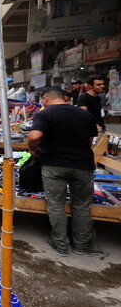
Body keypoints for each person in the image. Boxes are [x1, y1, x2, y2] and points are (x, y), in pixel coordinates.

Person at [27, 87, 103, 256]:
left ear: (46, 99)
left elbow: (34, 136)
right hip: (82, 165)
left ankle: (61, 244)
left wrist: (33, 149)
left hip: (54, 165)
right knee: (82, 206)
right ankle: (81, 245)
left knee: (56, 205)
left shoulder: (45, 114)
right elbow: (90, 141)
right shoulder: (85, 114)